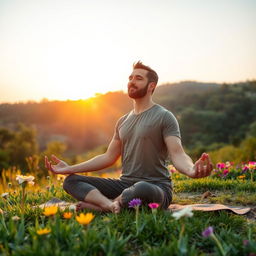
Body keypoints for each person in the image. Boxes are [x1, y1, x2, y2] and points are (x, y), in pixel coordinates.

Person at [45, 61, 213, 213]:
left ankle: (105, 204)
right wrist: (69, 169)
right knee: (71, 182)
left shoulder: (164, 116)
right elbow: (108, 157)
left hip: (156, 188)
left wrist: (191, 170)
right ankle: (109, 205)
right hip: (124, 185)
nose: (131, 81)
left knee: (142, 188)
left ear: (151, 86)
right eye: (130, 77)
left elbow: (177, 153)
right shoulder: (122, 121)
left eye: (138, 78)